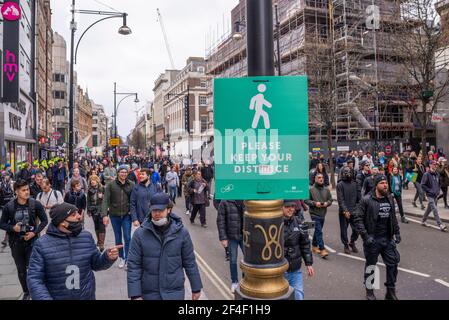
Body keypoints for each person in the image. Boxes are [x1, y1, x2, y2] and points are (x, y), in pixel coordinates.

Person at [27, 203, 120, 300]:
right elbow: (34, 278)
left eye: (77, 213)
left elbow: (96, 264)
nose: (79, 216)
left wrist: (107, 257)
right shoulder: (41, 244)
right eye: (73, 215)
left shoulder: (86, 237)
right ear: (62, 222)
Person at [127, 193, 203, 300]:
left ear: (169, 210)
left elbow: (190, 262)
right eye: (154, 210)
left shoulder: (182, 233)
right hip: (149, 293)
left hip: (174, 292)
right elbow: (134, 266)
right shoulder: (139, 234)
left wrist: (196, 287)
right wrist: (135, 294)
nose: (157, 213)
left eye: (160, 210)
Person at [354, 175, 401, 300]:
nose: (385, 185)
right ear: (376, 185)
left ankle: (390, 291)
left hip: (387, 239)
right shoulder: (366, 200)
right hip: (373, 239)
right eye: (382, 183)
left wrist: (397, 233)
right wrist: (365, 236)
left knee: (393, 263)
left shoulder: (389, 198)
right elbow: (358, 219)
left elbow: (393, 218)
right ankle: (370, 291)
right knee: (371, 266)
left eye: (386, 182)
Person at [0, 179, 48, 300]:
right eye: (23, 190)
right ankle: (26, 292)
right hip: (16, 243)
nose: (27, 192)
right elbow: (2, 224)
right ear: (16, 192)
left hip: (32, 241)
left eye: (27, 189)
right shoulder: (9, 206)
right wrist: (13, 228)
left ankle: (36, 290)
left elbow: (44, 221)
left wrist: (34, 233)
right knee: (21, 270)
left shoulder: (35, 204)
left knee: (33, 268)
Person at [101, 165, 135, 268]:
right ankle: (121, 257)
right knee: (118, 237)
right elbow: (105, 200)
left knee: (127, 237)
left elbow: (134, 200)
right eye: (121, 172)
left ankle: (128, 258)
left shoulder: (131, 184)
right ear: (118, 173)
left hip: (126, 215)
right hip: (114, 215)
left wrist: (133, 213)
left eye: (125, 172)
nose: (123, 174)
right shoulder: (111, 185)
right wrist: (104, 215)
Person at [282, 200, 314, 300]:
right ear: (281, 207)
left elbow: (305, 244)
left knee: (298, 296)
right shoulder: (274, 223)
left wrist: (309, 263)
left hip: (295, 270)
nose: (291, 209)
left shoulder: (300, 222)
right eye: (287, 206)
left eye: (293, 206)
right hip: (279, 272)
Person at [217, 200, 245, 293]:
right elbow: (220, 221)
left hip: (245, 235)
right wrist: (223, 238)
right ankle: (234, 282)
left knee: (248, 260)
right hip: (231, 236)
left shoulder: (245, 197)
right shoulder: (225, 201)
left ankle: (246, 280)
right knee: (233, 260)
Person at [304, 173, 333, 258]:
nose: (321, 179)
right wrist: (314, 203)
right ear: (315, 179)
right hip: (314, 213)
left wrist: (327, 203)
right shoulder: (311, 189)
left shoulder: (326, 190)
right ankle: (322, 249)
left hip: (323, 213)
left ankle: (314, 246)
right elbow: (306, 200)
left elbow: (330, 200)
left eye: (322, 177)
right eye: (319, 178)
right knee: (319, 231)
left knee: (317, 231)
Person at [337, 167, 360, 254]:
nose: (348, 173)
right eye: (346, 172)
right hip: (344, 212)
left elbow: (359, 198)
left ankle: (352, 242)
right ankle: (346, 245)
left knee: (357, 229)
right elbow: (340, 199)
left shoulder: (355, 184)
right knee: (344, 230)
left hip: (354, 211)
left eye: (349, 172)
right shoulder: (340, 184)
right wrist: (345, 210)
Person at [421, 161, 448, 231]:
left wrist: (438, 190)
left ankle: (423, 221)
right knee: (434, 209)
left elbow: (439, 183)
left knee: (429, 209)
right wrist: (429, 191)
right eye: (433, 164)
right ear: (430, 165)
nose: (435, 165)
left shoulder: (437, 174)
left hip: (435, 195)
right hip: (430, 195)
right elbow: (422, 185)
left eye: (435, 164)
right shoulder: (426, 174)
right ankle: (440, 224)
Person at [87, 175, 106, 252]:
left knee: (101, 225)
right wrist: (88, 210)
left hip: (101, 209)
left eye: (94, 180)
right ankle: (99, 241)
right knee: (96, 225)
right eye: (91, 180)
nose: (92, 181)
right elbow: (88, 200)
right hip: (93, 209)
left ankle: (101, 244)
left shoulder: (102, 188)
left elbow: (108, 198)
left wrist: (103, 196)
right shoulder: (89, 190)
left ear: (97, 181)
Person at [1, 172, 15, 247]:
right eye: (4, 176)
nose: (6, 177)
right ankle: (7, 239)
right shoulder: (1, 184)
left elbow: (14, 192)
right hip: (4, 204)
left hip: (11, 203)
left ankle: (6, 239)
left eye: (7, 176)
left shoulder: (12, 183)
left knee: (10, 221)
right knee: (7, 222)